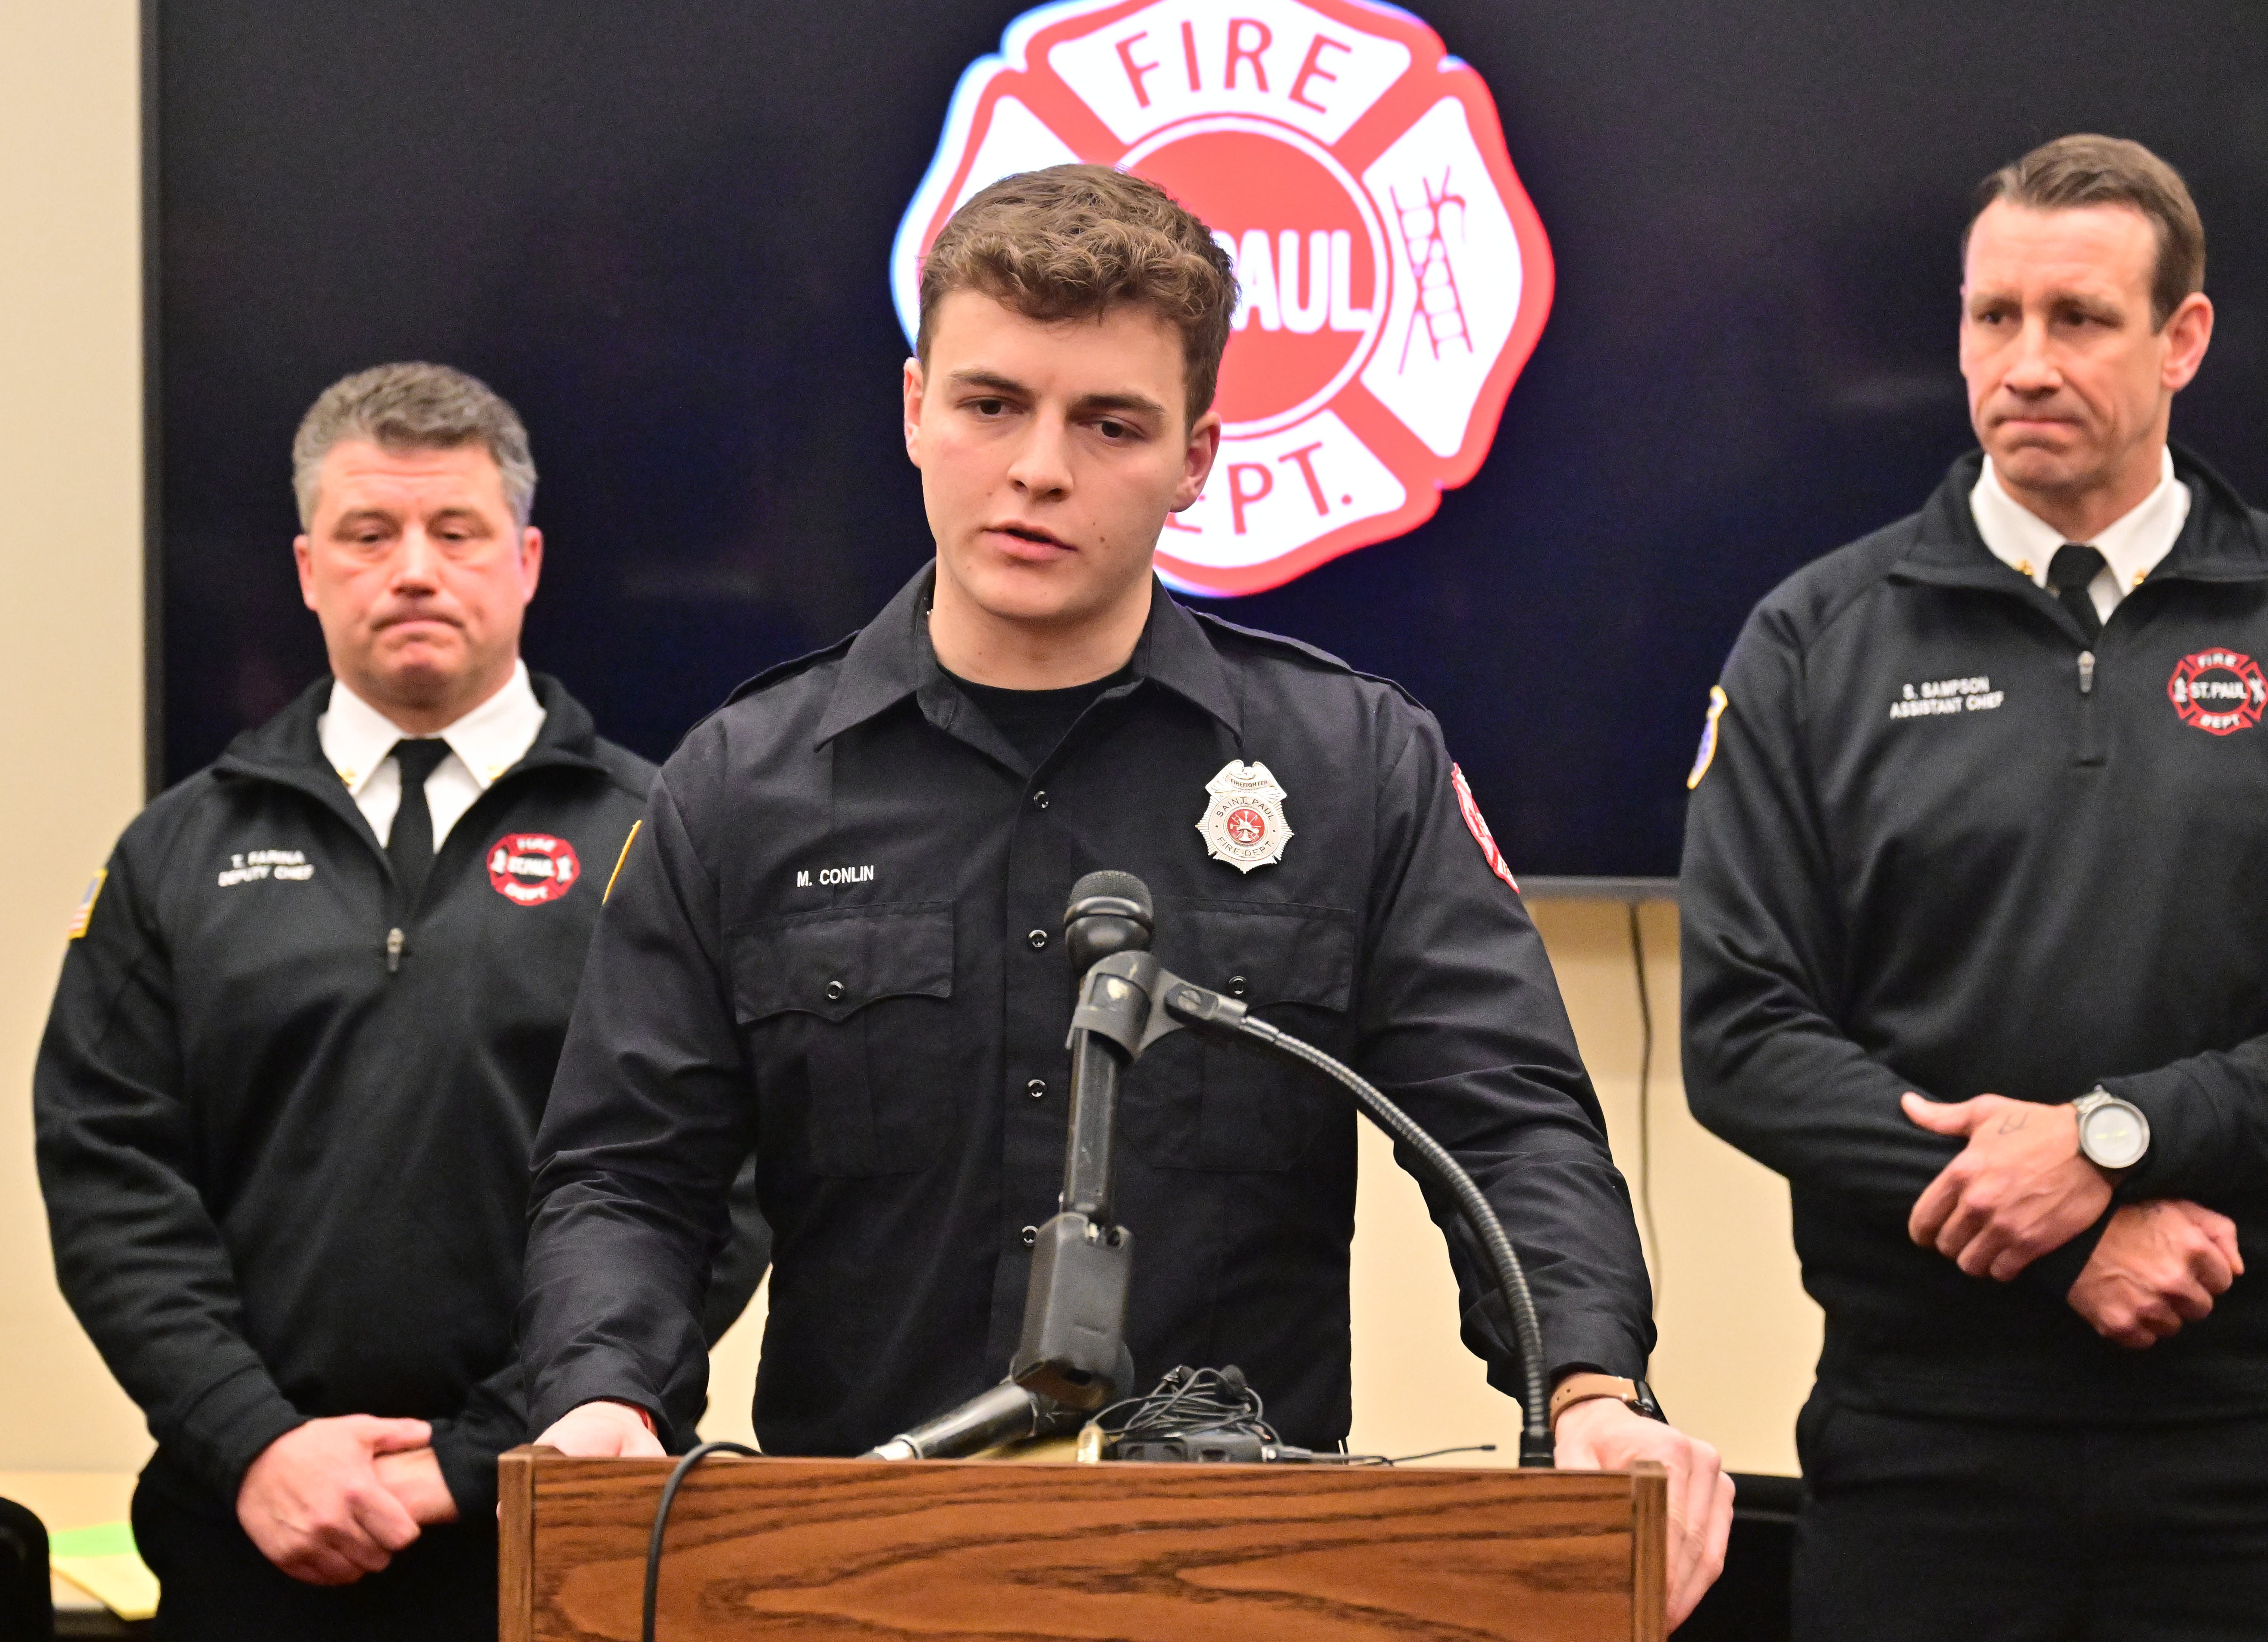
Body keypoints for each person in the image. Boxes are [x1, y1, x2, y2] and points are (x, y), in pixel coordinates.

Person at [519, 164, 1733, 1626]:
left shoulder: (1353, 765)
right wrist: (600, 1398)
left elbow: (1512, 1127)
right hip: (849, 1573)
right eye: (991, 405)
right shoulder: (741, 782)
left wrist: (1591, 1386)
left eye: (1110, 424)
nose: (1040, 468)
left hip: (1252, 1576)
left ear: (1200, 454)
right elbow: (629, 1177)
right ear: (915, 411)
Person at [34, 363, 766, 1640]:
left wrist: (484, 1454)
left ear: (527, 560)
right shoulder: (178, 850)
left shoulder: (659, 839)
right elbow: (110, 1177)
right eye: (370, 535)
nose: (414, 569)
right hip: (251, 1529)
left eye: (457, 531)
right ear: (311, 567)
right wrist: (253, 1440)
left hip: (569, 1523)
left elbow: (720, 1185)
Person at [1682, 134, 2268, 1639]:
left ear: (2181, 339)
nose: (2024, 362)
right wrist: (2071, 1227)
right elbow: (1744, 1035)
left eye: (2078, 319)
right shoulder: (1816, 640)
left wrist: (2114, 1137)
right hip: (1920, 1458)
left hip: (2242, 1449)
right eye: (1990, 317)